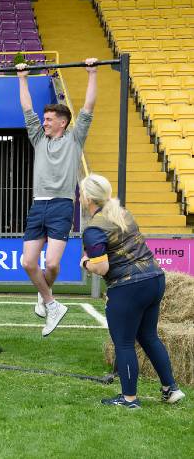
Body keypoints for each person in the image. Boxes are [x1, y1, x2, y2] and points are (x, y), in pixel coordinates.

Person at [80, 173, 185, 408]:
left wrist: (85, 263)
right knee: (149, 336)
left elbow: (101, 266)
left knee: (124, 342)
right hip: (155, 278)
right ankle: (171, 389)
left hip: (128, 285)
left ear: (88, 198)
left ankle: (129, 399)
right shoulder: (122, 213)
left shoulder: (94, 228)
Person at [17, 57, 98, 337]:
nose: (45, 122)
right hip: (38, 204)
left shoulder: (75, 139)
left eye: (50, 119)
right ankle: (51, 303)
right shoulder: (39, 139)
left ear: (62, 123)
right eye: (45, 119)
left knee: (51, 264)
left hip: (63, 205)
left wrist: (91, 72)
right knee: (28, 262)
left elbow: (88, 108)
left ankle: (46, 299)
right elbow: (27, 109)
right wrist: (23, 78)